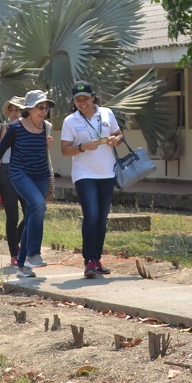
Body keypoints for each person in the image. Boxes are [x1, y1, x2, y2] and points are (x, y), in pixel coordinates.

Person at [0, 90, 54, 278]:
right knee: (38, 205)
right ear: (30, 109)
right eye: (40, 107)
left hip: (40, 175)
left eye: (46, 107)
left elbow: (42, 153)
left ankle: (23, 263)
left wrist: (47, 145)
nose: (43, 111)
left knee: (34, 212)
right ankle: (34, 253)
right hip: (18, 174)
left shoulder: (46, 128)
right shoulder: (14, 128)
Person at [60, 81, 123, 279]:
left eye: (85, 99)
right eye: (78, 100)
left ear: (93, 97)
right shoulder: (70, 121)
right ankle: (88, 261)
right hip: (84, 174)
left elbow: (119, 134)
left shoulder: (107, 114)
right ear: (74, 101)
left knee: (102, 218)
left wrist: (115, 140)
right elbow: (64, 150)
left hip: (107, 173)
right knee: (91, 215)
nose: (82, 103)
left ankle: (97, 260)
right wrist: (82, 147)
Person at [0, 96, 30, 265]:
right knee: (12, 215)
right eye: (12, 110)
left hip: (26, 171)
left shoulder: (31, 128)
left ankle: (18, 241)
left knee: (32, 210)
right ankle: (14, 253)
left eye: (18, 109)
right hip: (6, 171)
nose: (15, 113)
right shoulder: (2, 129)